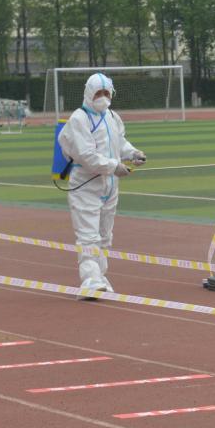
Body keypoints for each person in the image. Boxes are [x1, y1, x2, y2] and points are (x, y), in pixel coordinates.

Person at [57, 72, 145, 299]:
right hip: (86, 183)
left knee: (105, 235)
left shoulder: (112, 116)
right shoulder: (79, 119)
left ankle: (100, 276)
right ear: (89, 93)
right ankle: (90, 280)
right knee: (88, 235)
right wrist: (114, 166)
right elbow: (86, 155)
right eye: (99, 93)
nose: (103, 97)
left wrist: (132, 153)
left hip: (110, 185)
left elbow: (119, 142)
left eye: (107, 93)